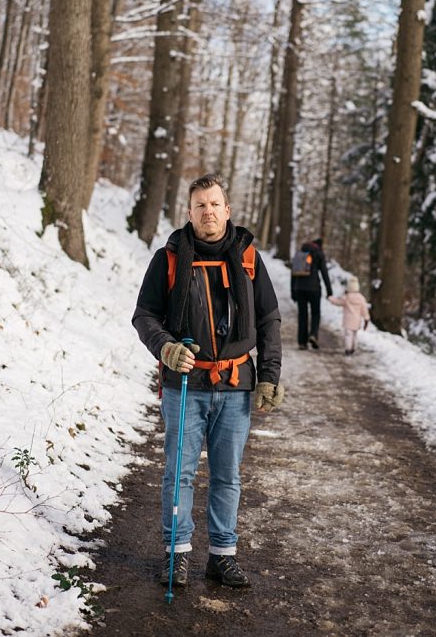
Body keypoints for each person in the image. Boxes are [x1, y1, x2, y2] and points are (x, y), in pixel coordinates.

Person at [132, 173, 284, 590]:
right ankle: (176, 555)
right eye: (200, 205)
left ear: (227, 210)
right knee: (177, 473)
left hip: (236, 384)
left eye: (214, 204)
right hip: (186, 385)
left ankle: (222, 556)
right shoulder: (168, 258)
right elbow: (144, 316)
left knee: (227, 475)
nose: (208, 212)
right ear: (189, 213)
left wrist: (269, 374)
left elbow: (269, 319)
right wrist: (165, 347)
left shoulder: (249, 257)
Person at [290, 237, 332, 351]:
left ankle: (302, 343)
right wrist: (329, 291)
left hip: (299, 288)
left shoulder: (300, 253)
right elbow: (324, 273)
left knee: (302, 315)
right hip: (314, 288)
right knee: (315, 313)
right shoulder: (318, 253)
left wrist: (293, 291)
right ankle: (313, 334)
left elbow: (293, 274)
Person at [326, 276, 371, 355]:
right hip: (357, 321)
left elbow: (337, 302)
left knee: (348, 335)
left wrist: (330, 298)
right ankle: (353, 348)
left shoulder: (346, 298)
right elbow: (364, 310)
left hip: (348, 320)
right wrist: (366, 319)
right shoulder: (361, 298)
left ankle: (348, 349)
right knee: (354, 335)